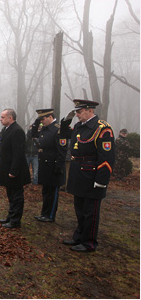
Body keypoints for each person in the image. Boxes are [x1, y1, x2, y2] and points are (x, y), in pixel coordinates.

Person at [59, 99, 115, 252]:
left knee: (91, 211)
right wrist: (66, 120)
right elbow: (63, 134)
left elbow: (107, 157)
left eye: (79, 111)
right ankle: (79, 237)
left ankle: (89, 242)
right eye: (76, 112)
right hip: (78, 173)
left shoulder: (102, 129)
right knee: (79, 209)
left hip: (92, 176)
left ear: (90, 111)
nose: (77, 114)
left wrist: (102, 180)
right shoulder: (79, 126)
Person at [30, 109, 67, 222]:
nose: (42, 122)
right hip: (45, 165)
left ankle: (50, 215)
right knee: (46, 191)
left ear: (50, 117)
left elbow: (62, 151)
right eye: (40, 119)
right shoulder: (45, 129)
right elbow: (33, 134)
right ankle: (44, 213)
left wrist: (58, 167)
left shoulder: (58, 130)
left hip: (54, 166)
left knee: (52, 193)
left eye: (43, 119)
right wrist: (36, 122)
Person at [0, 109, 31, 228]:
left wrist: (14, 171)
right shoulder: (7, 130)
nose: (0, 119)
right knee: (10, 194)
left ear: (10, 118)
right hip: (7, 166)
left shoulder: (17, 131)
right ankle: (10, 217)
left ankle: (15, 221)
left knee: (17, 196)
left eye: (2, 117)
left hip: (15, 169)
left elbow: (18, 153)